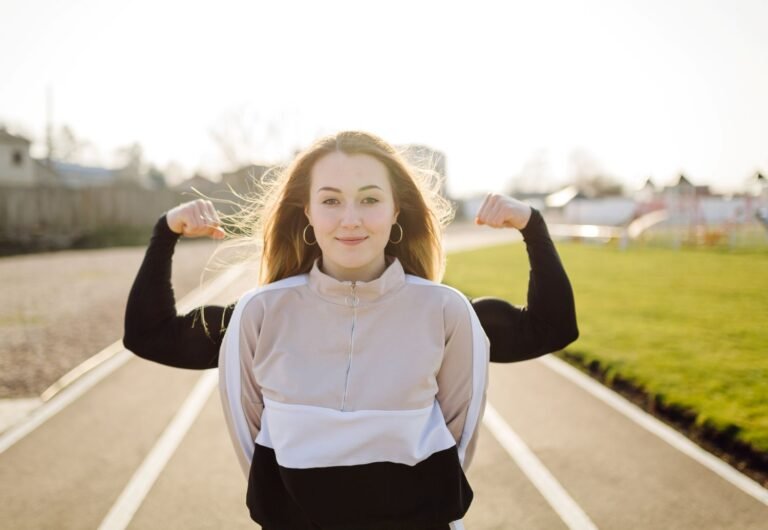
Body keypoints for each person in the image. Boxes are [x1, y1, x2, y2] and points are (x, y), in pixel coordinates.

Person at [123, 132, 579, 529]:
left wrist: (532, 228)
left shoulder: (445, 311)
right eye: (331, 200)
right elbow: (152, 336)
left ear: (396, 209)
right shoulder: (260, 313)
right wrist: (165, 233)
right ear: (308, 212)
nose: (350, 218)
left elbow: (545, 332)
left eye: (369, 199)